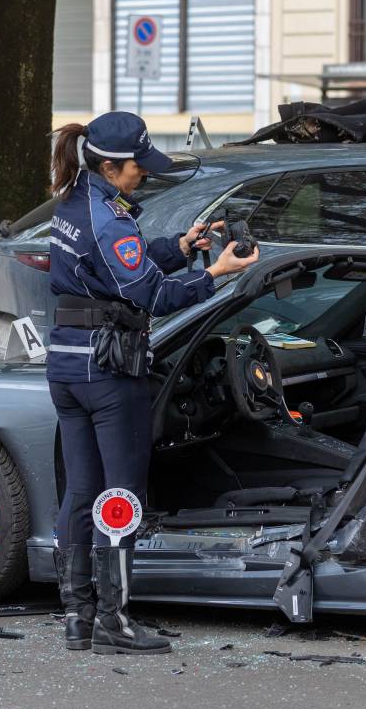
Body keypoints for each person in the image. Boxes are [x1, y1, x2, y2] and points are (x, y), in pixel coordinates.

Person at [46, 111, 258, 655]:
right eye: (138, 165)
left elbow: (120, 270)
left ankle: (78, 618)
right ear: (111, 166)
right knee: (120, 495)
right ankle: (113, 622)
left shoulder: (74, 201)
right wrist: (215, 274)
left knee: (81, 491)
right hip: (108, 370)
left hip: (68, 365)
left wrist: (182, 247)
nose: (144, 173)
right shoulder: (110, 220)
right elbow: (155, 297)